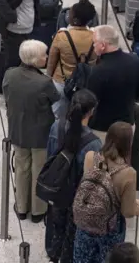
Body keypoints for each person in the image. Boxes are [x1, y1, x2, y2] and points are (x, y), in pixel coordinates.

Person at [73, 122, 139, 263]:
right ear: (129, 143)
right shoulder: (128, 173)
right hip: (109, 230)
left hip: (85, 223)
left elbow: (92, 190)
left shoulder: (90, 156)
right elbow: (127, 211)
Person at [3, 39, 60, 223]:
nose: (46, 56)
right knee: (39, 169)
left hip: (18, 131)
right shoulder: (44, 82)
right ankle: (38, 210)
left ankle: (21, 207)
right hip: (40, 134)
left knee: (21, 168)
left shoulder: (10, 75)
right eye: (44, 54)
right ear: (36, 60)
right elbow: (55, 100)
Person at [45, 89, 102, 263]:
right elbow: (92, 177)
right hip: (77, 195)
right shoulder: (93, 142)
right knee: (72, 232)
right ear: (91, 111)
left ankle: (53, 253)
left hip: (57, 187)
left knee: (55, 224)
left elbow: (50, 155)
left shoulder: (57, 126)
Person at [86, 25, 139, 141]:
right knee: (124, 158)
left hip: (102, 129)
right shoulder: (136, 62)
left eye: (94, 43)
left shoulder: (98, 71)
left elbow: (90, 101)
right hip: (127, 125)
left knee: (99, 159)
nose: (93, 46)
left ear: (103, 45)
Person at [46, 0, 98, 118]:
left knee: (58, 116)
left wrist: (48, 79)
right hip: (86, 82)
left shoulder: (62, 36)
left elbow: (51, 62)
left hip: (62, 81)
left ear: (75, 20)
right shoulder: (96, 37)